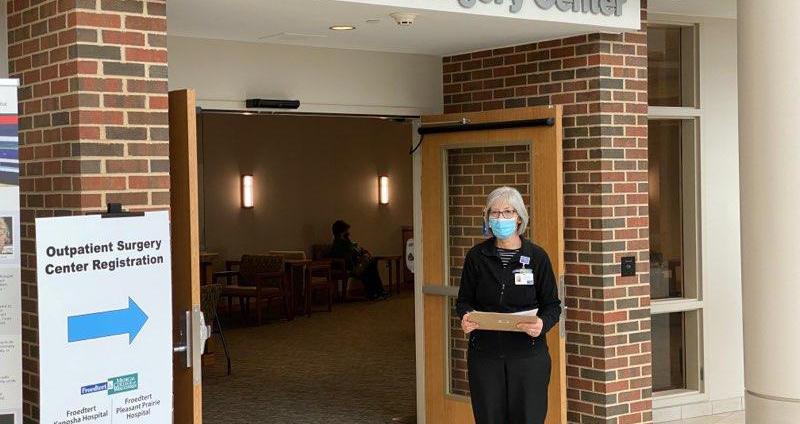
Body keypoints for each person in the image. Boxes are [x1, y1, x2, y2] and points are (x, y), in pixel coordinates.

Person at [456, 186, 561, 424]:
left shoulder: (536, 257)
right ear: (487, 218)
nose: (500, 218)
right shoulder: (477, 257)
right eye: (494, 213)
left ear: (519, 218)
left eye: (507, 212)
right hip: (485, 357)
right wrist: (465, 316)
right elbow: (463, 301)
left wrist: (542, 324)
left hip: (528, 358)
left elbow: (553, 306)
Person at [329, 220, 389, 300]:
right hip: (348, 266)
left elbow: (355, 250)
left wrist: (360, 251)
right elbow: (345, 255)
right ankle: (374, 292)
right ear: (341, 232)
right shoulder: (338, 243)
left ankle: (378, 291)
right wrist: (356, 253)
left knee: (372, 263)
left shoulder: (347, 241)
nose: (348, 232)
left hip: (355, 264)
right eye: (346, 230)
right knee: (369, 266)